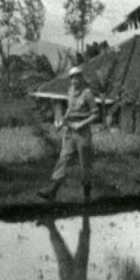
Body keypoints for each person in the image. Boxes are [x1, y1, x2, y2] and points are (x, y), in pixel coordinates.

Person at [38, 67, 99, 202]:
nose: (74, 80)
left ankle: (86, 197)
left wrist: (81, 124)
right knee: (63, 159)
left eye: (77, 77)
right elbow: (69, 109)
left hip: (83, 133)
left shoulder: (87, 93)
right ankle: (52, 191)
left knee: (85, 165)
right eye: (72, 78)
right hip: (70, 131)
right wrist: (62, 122)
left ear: (81, 78)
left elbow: (96, 114)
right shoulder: (70, 91)